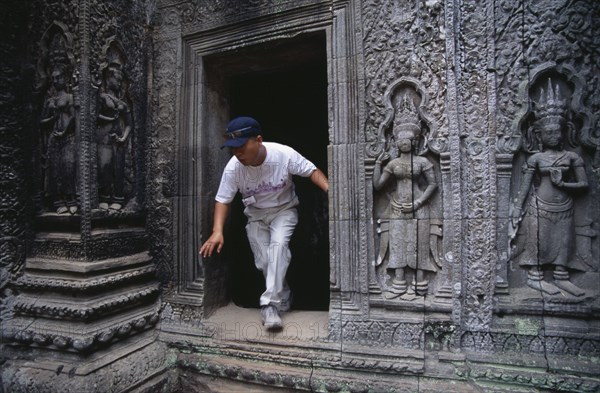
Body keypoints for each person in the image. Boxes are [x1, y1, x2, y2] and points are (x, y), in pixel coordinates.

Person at [200, 116, 329, 329]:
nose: (237, 152)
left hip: (283, 211)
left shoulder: (283, 155)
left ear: (258, 140)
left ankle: (270, 306)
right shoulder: (234, 168)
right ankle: (284, 294)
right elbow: (223, 199)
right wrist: (217, 231)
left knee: (278, 249)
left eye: (241, 146)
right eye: (233, 148)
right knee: (264, 261)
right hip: (256, 216)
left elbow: (312, 171)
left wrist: (329, 189)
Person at [509, 80, 588, 297]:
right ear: (539, 135)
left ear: (565, 132)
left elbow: (584, 185)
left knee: (564, 242)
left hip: (564, 205)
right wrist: (517, 208)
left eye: (558, 132)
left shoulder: (572, 157)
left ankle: (562, 276)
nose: (554, 136)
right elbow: (525, 185)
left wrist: (564, 184)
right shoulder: (536, 158)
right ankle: (536, 278)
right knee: (539, 242)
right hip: (539, 206)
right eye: (549, 132)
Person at [372, 96, 439, 297]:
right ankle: (399, 283)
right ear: (395, 140)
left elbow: (433, 184)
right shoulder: (392, 164)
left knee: (419, 242)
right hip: (397, 207)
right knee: (398, 242)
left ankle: (419, 284)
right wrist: (377, 164)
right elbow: (377, 186)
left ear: (415, 140)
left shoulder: (422, 161)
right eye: (400, 139)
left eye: (408, 138)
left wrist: (418, 202)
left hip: (419, 206)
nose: (404, 142)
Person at [40, 64, 78, 214]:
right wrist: (51, 119)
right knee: (55, 169)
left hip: (68, 137)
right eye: (53, 78)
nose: (56, 80)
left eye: (59, 77)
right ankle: (58, 200)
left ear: (66, 78)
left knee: (69, 167)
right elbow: (41, 122)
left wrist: (64, 131)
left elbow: (75, 117)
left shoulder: (70, 97)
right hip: (54, 139)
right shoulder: (49, 101)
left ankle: (71, 198)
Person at [96, 63, 132, 211]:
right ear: (108, 78)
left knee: (118, 167)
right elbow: (94, 116)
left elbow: (130, 123)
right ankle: (104, 197)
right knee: (104, 166)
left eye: (121, 80)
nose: (119, 83)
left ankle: (118, 198)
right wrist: (109, 119)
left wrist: (124, 137)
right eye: (117, 79)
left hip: (118, 138)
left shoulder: (123, 103)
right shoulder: (102, 97)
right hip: (104, 136)